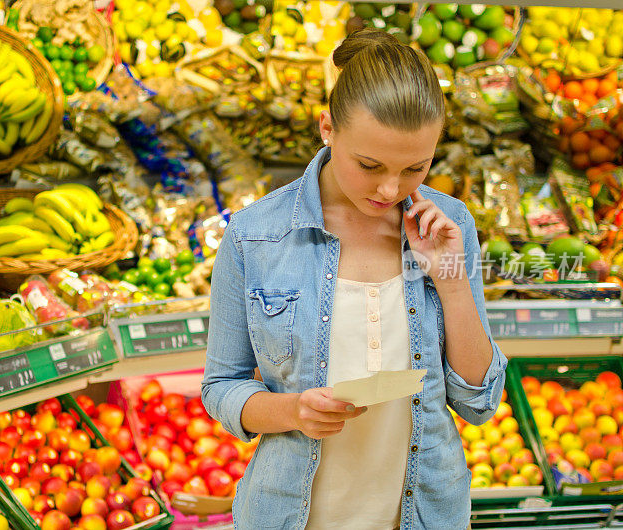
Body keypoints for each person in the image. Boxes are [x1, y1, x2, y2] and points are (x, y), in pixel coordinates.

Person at [201, 28, 507, 530]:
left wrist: (449, 277)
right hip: (288, 514)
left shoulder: (450, 225)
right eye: (369, 165)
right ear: (327, 127)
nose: (391, 189)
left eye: (416, 167)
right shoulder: (256, 236)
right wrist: (293, 411)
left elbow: (478, 400)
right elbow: (221, 387)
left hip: (425, 514)